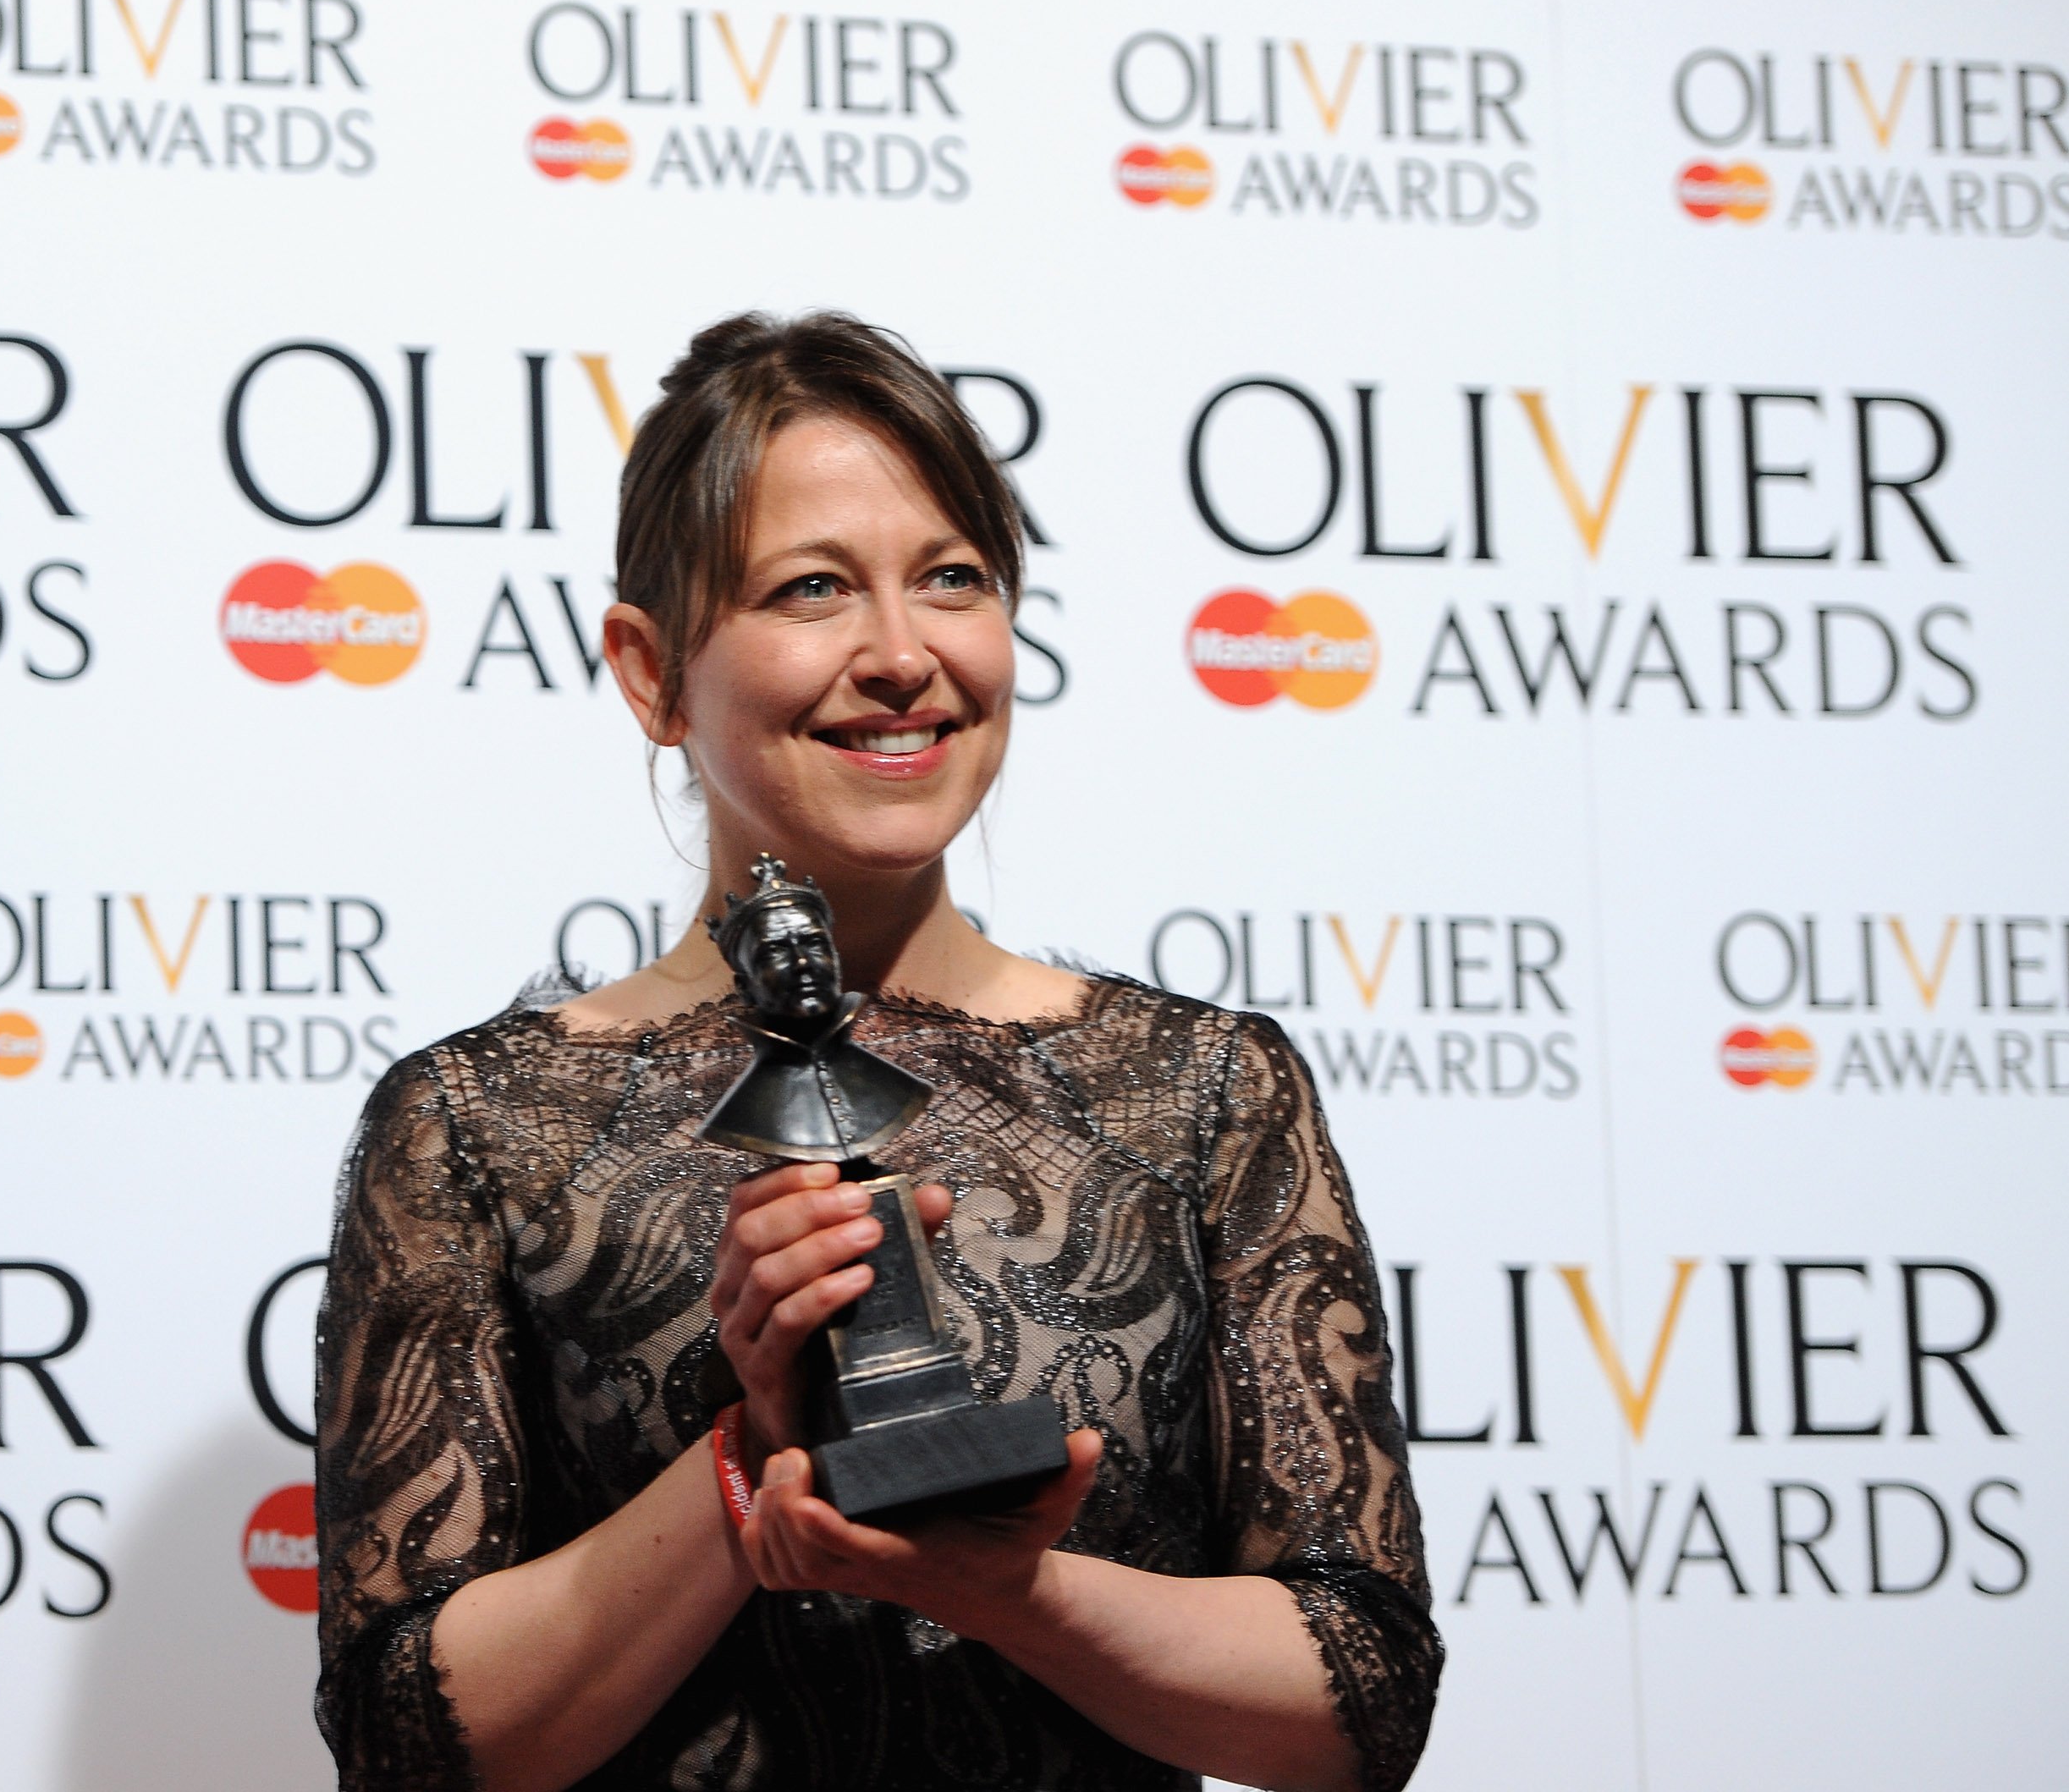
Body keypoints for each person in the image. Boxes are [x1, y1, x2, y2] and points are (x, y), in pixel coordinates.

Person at [314, 312, 1441, 1792]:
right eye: (812, 589)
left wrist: (1002, 1594)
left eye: (955, 581)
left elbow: (1357, 1702)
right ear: (652, 673)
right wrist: (746, 1464)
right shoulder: (485, 1122)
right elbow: (409, 1740)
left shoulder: (1203, 1093)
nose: (902, 655)